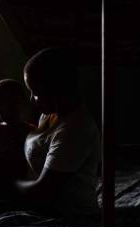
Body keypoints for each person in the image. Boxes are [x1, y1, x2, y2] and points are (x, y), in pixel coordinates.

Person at [15, 48, 101, 218]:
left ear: (56, 91)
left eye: (36, 92)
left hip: (70, 215)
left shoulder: (77, 128)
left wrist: (10, 184)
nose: (32, 98)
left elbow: (44, 190)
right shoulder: (50, 114)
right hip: (44, 207)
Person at [0, 79, 35, 198]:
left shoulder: (32, 131)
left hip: (25, 188)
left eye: (11, 107)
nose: (4, 113)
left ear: (22, 103)